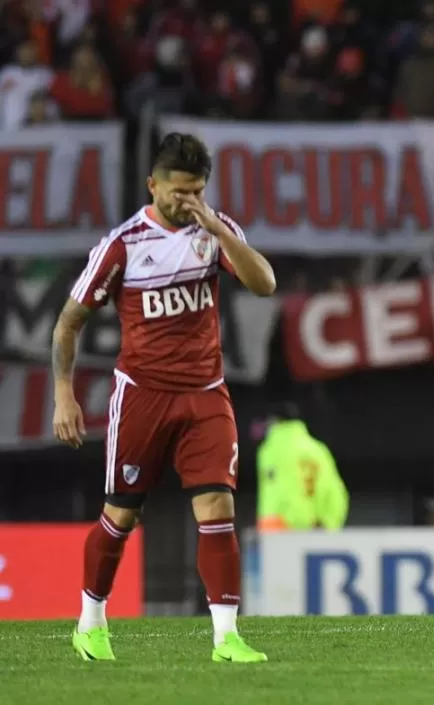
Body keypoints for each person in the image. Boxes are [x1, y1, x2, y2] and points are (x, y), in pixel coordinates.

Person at [52, 133, 276, 662]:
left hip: (204, 396)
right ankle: (90, 623)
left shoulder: (214, 232)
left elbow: (264, 283)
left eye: (196, 191)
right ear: (153, 185)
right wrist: (64, 394)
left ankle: (226, 638)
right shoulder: (124, 243)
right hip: (143, 397)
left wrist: (217, 227)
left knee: (219, 509)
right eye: (178, 192)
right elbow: (68, 323)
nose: (186, 201)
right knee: (120, 517)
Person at [256, 403, 348, 532]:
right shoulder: (319, 450)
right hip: (315, 532)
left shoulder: (270, 449)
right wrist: (328, 524)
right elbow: (337, 494)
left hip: (277, 534)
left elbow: (280, 493)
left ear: (275, 421)